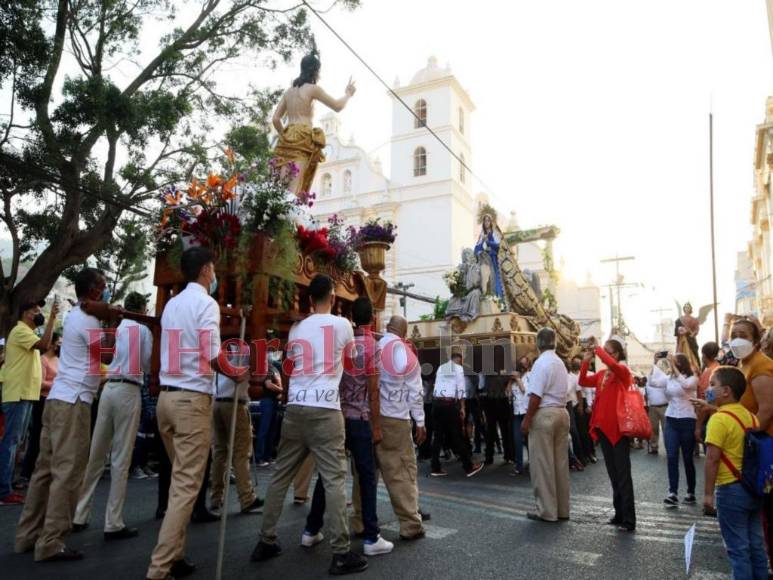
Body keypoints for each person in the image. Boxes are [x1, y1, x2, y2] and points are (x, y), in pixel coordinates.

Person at [251, 274, 367, 576]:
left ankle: (266, 540)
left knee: (280, 476)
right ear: (331, 297)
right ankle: (341, 552)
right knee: (334, 480)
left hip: (295, 407)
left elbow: (289, 368)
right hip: (326, 408)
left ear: (309, 298)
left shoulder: (297, 328)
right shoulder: (342, 326)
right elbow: (352, 363)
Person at [146, 247, 249, 580]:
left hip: (167, 400)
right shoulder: (206, 304)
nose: (215, 274)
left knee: (181, 483)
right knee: (187, 487)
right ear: (206, 270)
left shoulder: (172, 304)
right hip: (191, 401)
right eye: (214, 269)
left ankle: (175, 557)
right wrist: (237, 372)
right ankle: (159, 568)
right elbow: (211, 355)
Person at [15, 268, 115, 561]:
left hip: (58, 400)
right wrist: (112, 323)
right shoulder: (89, 321)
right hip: (74, 402)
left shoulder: (74, 316)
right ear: (95, 291)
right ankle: (51, 541)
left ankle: (27, 535)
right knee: (67, 474)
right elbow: (106, 355)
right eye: (104, 287)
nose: (106, 292)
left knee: (44, 471)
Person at [303, 297, 393, 557]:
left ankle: (310, 530)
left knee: (328, 474)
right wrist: (376, 426)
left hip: (336, 416)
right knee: (366, 476)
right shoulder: (372, 346)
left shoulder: (342, 343)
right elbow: (373, 390)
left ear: (352, 317)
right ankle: (371, 536)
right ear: (373, 319)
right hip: (360, 419)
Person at [72, 292, 153, 540]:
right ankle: (113, 521)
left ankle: (79, 514)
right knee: (121, 457)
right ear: (141, 309)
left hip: (108, 388)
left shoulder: (115, 328)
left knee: (96, 453)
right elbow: (146, 364)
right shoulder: (143, 331)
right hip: (129, 388)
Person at [703, 366, 768, 580]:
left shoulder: (719, 420)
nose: (708, 388)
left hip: (730, 490)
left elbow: (712, 459)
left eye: (713, 384)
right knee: (756, 545)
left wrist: (708, 494)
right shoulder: (751, 417)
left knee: (738, 549)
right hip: (753, 488)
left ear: (726, 391)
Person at [0, 298, 58, 504]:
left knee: (15, 442)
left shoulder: (27, 333)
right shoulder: (21, 331)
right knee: (11, 442)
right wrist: (52, 318)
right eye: (36, 309)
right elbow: (44, 345)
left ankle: (7, 484)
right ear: (26, 313)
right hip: (18, 394)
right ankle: (4, 491)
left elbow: (44, 344)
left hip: (25, 394)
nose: (39, 312)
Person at [272, 53, 356, 195]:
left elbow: (275, 119)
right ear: (315, 71)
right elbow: (337, 106)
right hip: (303, 138)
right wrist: (348, 94)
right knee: (295, 188)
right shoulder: (313, 89)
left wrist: (284, 135)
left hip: (286, 138)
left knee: (281, 187)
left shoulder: (288, 92)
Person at [375, 315, 427, 540]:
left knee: (366, 472)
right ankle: (410, 524)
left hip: (370, 417)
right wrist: (421, 422)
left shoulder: (374, 347)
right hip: (395, 418)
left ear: (388, 328)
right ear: (404, 332)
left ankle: (359, 519)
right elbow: (415, 392)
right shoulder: (405, 353)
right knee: (402, 472)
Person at [579, 335, 636, 532]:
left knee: (623, 475)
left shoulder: (623, 372)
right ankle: (619, 513)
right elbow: (583, 381)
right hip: (603, 429)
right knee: (613, 475)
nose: (605, 356)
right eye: (605, 352)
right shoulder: (603, 375)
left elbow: (611, 362)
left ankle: (629, 519)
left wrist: (598, 351)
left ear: (617, 354)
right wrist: (586, 360)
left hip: (618, 430)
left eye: (609, 352)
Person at [209, 344, 269, 516]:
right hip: (235, 403)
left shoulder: (219, 348)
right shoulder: (248, 349)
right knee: (241, 451)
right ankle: (246, 498)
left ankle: (215, 497)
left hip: (217, 402)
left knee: (220, 451)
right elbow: (260, 372)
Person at [521, 327, 570, 523]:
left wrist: (527, 419)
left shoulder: (541, 363)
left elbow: (535, 396)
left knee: (543, 465)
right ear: (555, 342)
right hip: (561, 412)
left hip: (545, 414)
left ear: (538, 343)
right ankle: (562, 509)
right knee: (560, 464)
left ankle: (547, 511)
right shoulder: (559, 362)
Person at [652, 353, 698, 508]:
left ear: (681, 364)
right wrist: (655, 362)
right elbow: (654, 382)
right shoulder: (669, 378)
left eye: (675, 362)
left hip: (687, 420)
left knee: (687, 458)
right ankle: (673, 493)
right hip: (671, 419)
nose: (672, 364)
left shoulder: (692, 378)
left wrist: (675, 369)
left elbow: (686, 385)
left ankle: (690, 492)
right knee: (671, 456)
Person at [430, 352, 484, 478]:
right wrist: (463, 408)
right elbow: (461, 389)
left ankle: (435, 467)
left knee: (437, 437)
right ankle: (468, 467)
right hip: (449, 405)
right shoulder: (458, 368)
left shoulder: (441, 367)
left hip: (436, 404)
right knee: (457, 435)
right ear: (459, 360)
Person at [21, 332, 61, 481]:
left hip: (53, 400)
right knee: (37, 436)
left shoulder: (58, 360)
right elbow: (41, 383)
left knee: (50, 437)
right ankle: (27, 471)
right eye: (57, 342)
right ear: (51, 344)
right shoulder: (42, 359)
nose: (59, 346)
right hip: (41, 401)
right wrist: (57, 384)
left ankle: (45, 470)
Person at [480, 370, 514, 466]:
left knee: (502, 430)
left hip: (499, 400)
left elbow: (481, 386)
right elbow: (481, 385)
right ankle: (494, 456)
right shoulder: (488, 372)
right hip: (491, 401)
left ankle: (505, 455)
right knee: (493, 430)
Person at [695, 341, 720, 456]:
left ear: (704, 355)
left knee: (711, 459)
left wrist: (698, 427)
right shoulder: (719, 368)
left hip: (710, 420)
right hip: (716, 417)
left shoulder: (710, 374)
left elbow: (708, 402)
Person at [645, 355, 669, 455]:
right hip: (653, 407)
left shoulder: (665, 379)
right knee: (653, 428)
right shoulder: (649, 380)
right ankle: (654, 447)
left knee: (666, 429)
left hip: (664, 407)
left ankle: (669, 447)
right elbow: (646, 393)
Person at [509, 367, 529, 475]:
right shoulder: (512, 383)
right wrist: (510, 381)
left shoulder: (525, 379)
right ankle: (519, 466)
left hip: (525, 413)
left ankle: (532, 462)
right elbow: (507, 393)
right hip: (516, 413)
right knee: (517, 440)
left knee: (529, 439)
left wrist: (518, 380)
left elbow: (525, 391)